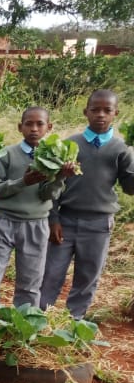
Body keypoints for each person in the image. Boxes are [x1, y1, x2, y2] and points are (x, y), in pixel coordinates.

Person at [39, 90, 134, 319]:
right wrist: (53, 218)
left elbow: (129, 188)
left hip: (99, 224)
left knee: (88, 276)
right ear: (86, 112)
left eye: (107, 110)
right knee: (51, 273)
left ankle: (74, 322)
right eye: (95, 110)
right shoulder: (70, 144)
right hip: (66, 220)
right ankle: (39, 320)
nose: (101, 115)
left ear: (115, 114)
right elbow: (55, 184)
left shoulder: (121, 149)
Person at [0, 106, 73, 314]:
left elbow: (47, 194)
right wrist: (23, 181)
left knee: (31, 280)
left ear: (49, 127)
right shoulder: (7, 154)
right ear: (20, 127)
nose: (34, 129)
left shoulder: (55, 158)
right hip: (4, 222)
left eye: (40, 124)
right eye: (29, 124)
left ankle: (24, 324)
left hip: (36, 225)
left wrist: (62, 176)